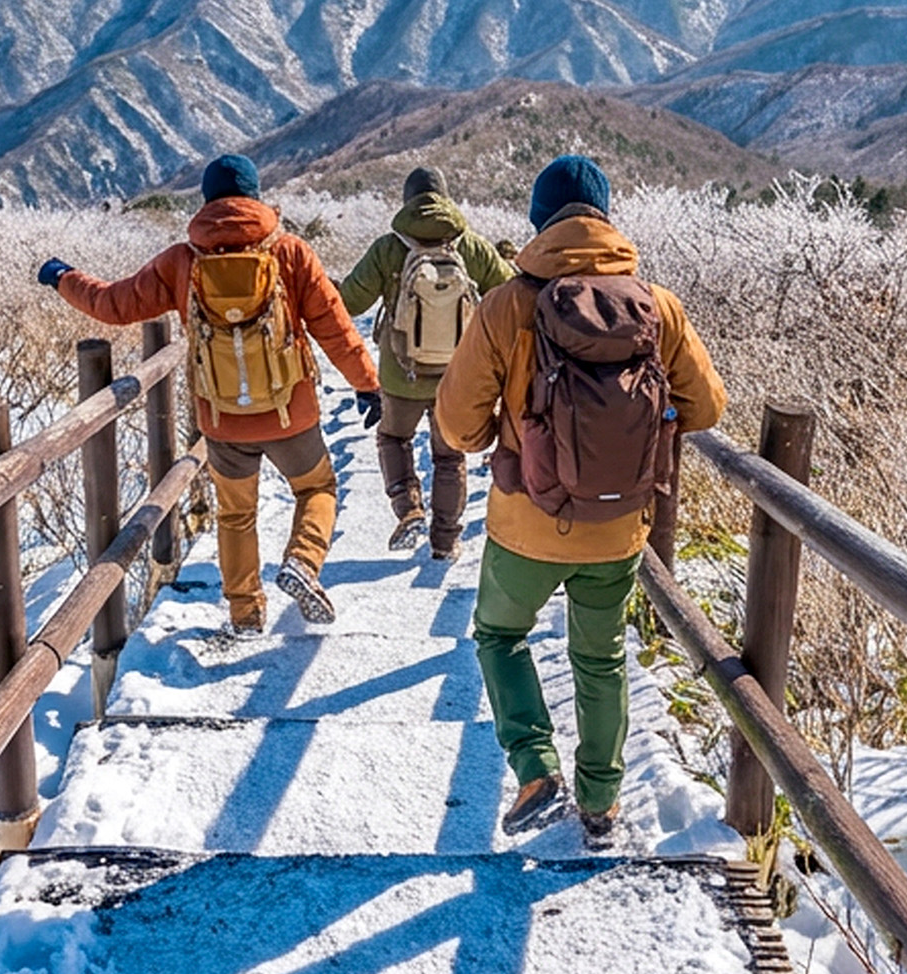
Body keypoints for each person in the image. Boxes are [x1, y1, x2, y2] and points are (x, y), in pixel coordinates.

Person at [435, 155, 726, 848]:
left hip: (526, 524)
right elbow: (707, 406)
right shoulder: (657, 305)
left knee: (500, 635)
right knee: (600, 658)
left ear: (540, 221)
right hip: (620, 525)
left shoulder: (508, 305)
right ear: (606, 217)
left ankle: (536, 768)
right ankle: (601, 801)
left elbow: (457, 424)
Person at [38, 155, 382, 634]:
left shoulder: (182, 261)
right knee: (316, 488)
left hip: (222, 418)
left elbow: (113, 305)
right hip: (290, 413)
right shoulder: (289, 252)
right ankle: (303, 560)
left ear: (207, 202)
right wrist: (367, 384)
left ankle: (245, 614)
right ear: (255, 197)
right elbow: (334, 326)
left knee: (236, 514)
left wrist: (63, 276)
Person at [333, 166, 513, 559]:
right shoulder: (472, 247)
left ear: (406, 201)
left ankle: (408, 508)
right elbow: (510, 295)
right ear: (446, 199)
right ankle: (445, 542)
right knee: (449, 456)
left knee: (393, 438)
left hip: (402, 374)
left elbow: (348, 303)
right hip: (458, 374)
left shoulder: (388, 248)